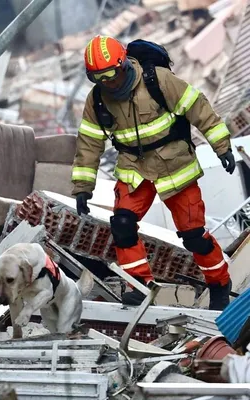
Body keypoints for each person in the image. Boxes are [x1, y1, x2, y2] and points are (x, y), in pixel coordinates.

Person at [71, 35, 235, 311]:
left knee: (194, 235)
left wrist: (223, 147)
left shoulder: (157, 81)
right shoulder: (98, 100)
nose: (107, 82)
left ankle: (219, 284)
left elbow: (199, 108)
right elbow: (88, 143)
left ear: (123, 64)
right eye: (97, 77)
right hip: (135, 170)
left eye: (110, 74)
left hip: (175, 166)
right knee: (122, 225)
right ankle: (138, 286)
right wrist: (83, 186)